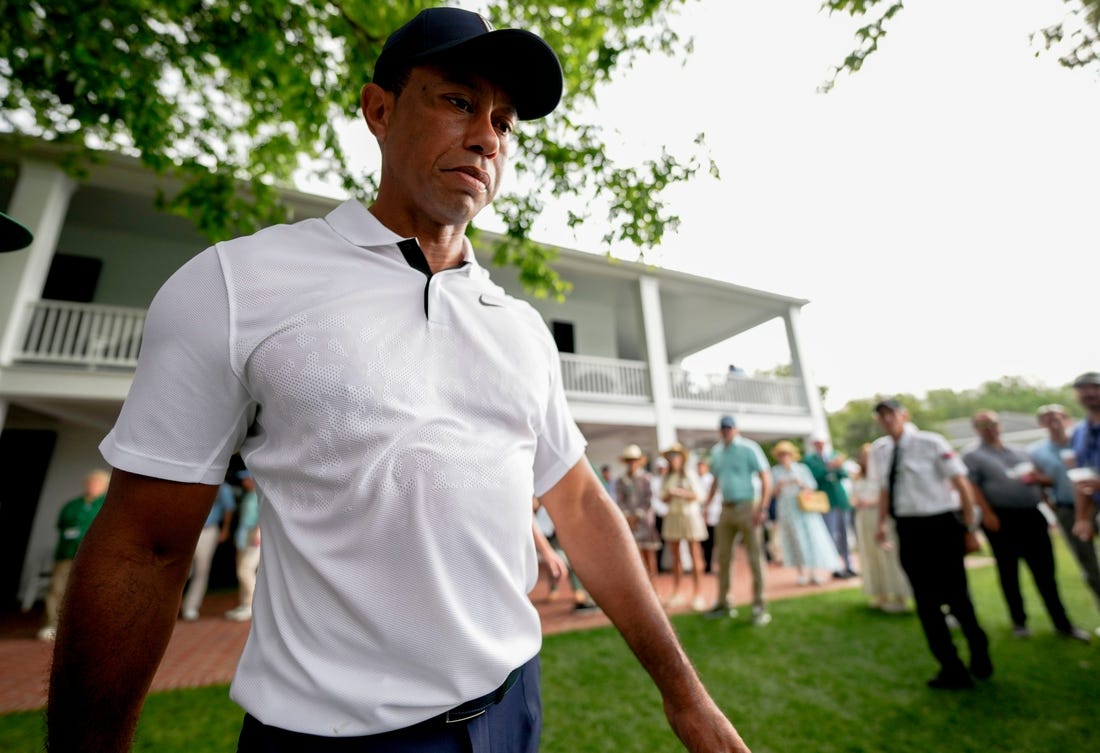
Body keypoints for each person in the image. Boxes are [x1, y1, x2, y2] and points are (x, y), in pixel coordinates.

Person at [46, 9, 749, 752]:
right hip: (336, 738)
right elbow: (142, 546)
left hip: (515, 706)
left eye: (506, 122)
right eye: (457, 100)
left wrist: (686, 694)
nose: (486, 134)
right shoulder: (236, 285)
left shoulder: (519, 328)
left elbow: (576, 499)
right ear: (378, 109)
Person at [869, 398, 992, 689]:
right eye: (882, 416)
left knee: (958, 596)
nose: (888, 420)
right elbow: (885, 489)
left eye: (892, 414)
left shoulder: (931, 442)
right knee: (926, 603)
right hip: (909, 529)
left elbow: (961, 484)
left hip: (941, 525)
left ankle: (979, 653)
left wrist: (969, 527)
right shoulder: (880, 450)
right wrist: (881, 524)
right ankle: (951, 667)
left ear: (904, 415)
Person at [963, 410, 1089, 642]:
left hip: (1032, 517)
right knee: (1009, 572)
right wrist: (988, 514)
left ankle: (1062, 624)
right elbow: (972, 487)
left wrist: (1042, 489)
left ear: (999, 425)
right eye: (982, 424)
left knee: (1046, 573)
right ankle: (1019, 622)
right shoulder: (973, 456)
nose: (988, 428)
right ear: (975, 428)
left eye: (992, 423)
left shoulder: (1021, 452)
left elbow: (1044, 480)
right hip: (1001, 519)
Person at [1030, 403, 1100, 626]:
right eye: (1048, 418)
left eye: (1058, 416)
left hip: (1096, 504)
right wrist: (1053, 507)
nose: (1054, 421)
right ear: (1041, 424)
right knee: (1089, 565)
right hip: (1068, 509)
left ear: (1067, 419)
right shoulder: (1037, 451)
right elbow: (1041, 482)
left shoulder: (1083, 437)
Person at [705, 414, 773, 626]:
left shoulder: (749, 448)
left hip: (748, 507)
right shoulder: (716, 451)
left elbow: (765, 477)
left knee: (755, 557)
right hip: (726, 508)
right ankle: (723, 603)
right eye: (723, 428)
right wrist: (707, 505)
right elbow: (715, 480)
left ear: (736, 428)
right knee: (723, 557)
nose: (726, 431)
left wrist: (762, 507)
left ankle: (759, 607)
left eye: (729, 427)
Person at [36, 470, 110, 641]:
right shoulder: (72, 504)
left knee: (89, 592)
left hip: (93, 557)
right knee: (58, 589)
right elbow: (61, 524)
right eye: (90, 482)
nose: (92, 486)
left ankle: (80, 629)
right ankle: (50, 625)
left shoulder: (107, 505)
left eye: (97, 483)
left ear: (105, 487)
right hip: (67, 553)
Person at [769, 441, 839, 587]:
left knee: (810, 538)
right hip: (787, 510)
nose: (784, 457)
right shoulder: (775, 471)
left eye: (786, 454)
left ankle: (813, 572)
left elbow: (812, 487)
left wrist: (800, 483)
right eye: (781, 455)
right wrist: (779, 486)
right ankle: (801, 572)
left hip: (804, 509)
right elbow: (772, 493)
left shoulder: (801, 469)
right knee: (795, 540)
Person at [850, 444, 910, 612]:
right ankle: (880, 593)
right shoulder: (858, 477)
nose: (866, 459)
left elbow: (889, 496)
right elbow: (853, 496)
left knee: (889, 556)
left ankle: (900, 596)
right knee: (871, 556)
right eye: (863, 456)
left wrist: (871, 503)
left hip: (881, 517)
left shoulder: (884, 475)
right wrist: (856, 502)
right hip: (863, 519)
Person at [659, 443, 708, 611]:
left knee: (695, 554)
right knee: (675, 556)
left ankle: (698, 593)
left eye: (676, 455)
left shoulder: (690, 474)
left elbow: (700, 496)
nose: (673, 459)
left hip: (690, 516)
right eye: (670, 456)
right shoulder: (666, 477)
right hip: (673, 516)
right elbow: (662, 498)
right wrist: (670, 494)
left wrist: (682, 493)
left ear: (682, 458)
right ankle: (677, 591)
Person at [179, 480, 236, 621]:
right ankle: (173, 605)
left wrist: (225, 529)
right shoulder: (191, 481)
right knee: (181, 569)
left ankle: (190, 607)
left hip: (208, 530)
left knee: (201, 570)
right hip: (186, 531)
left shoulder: (223, 487)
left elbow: (229, 508)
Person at [803, 436, 856, 579]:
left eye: (822, 442)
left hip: (840, 500)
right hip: (826, 502)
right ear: (814, 444)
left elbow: (844, 475)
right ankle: (836, 567)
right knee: (831, 535)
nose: (820, 445)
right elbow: (814, 477)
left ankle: (849, 565)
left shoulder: (834, 455)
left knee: (845, 534)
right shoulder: (809, 460)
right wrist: (829, 467)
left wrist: (838, 467)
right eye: (817, 443)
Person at [615, 444, 662, 587]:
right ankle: (640, 587)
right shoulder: (621, 480)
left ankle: (654, 587)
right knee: (633, 558)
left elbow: (648, 500)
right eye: (629, 460)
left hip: (645, 523)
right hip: (629, 523)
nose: (632, 463)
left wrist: (637, 515)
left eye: (634, 460)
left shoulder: (646, 478)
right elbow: (620, 500)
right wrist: (628, 516)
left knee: (649, 556)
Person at [225, 471, 261, 622]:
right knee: (242, 570)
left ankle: (253, 607)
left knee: (245, 570)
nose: (244, 482)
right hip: (243, 537)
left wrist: (258, 533)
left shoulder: (259, 496)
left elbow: (264, 517)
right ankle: (245, 604)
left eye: (246, 479)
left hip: (254, 536)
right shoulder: (248, 495)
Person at [1070, 372, 1100, 543]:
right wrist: (1082, 517)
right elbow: (1081, 476)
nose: (1089, 393)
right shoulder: (1079, 432)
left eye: (1096, 387)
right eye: (1082, 389)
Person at [696, 458, 722, 573]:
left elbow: (715, 498)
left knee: (713, 541)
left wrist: (707, 509)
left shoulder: (711, 480)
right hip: (700, 516)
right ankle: (707, 564)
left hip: (712, 515)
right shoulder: (696, 480)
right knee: (703, 543)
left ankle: (713, 564)